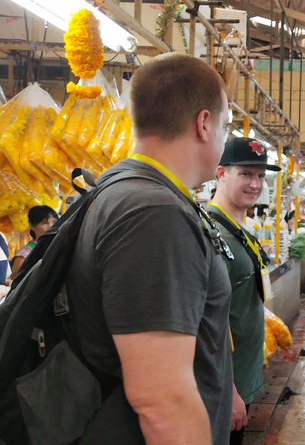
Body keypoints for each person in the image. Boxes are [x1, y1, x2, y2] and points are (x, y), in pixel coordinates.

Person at [66, 52, 234, 444]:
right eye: (225, 125)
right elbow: (162, 401)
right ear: (204, 124)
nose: (224, 139)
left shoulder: (121, 189)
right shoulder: (155, 214)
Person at [207, 138, 281, 445]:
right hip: (224, 388)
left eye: (261, 176)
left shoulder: (240, 230)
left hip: (243, 378)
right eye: (246, 174)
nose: (255, 184)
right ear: (221, 173)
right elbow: (208, 324)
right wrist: (231, 391)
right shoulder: (212, 235)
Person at [10, 205, 58, 279]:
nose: (51, 226)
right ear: (32, 226)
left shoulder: (59, 245)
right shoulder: (24, 255)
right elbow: (16, 282)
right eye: (45, 223)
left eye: (54, 222)